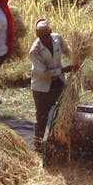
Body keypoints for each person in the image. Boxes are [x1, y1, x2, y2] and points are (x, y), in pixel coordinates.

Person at [28, 18, 73, 150]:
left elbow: (67, 50)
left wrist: (77, 56)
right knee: (42, 116)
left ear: (50, 32)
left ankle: (56, 141)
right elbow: (43, 73)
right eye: (40, 37)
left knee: (60, 112)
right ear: (37, 36)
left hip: (58, 82)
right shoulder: (34, 51)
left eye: (46, 36)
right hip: (42, 87)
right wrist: (64, 70)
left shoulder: (57, 39)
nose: (44, 39)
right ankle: (39, 145)